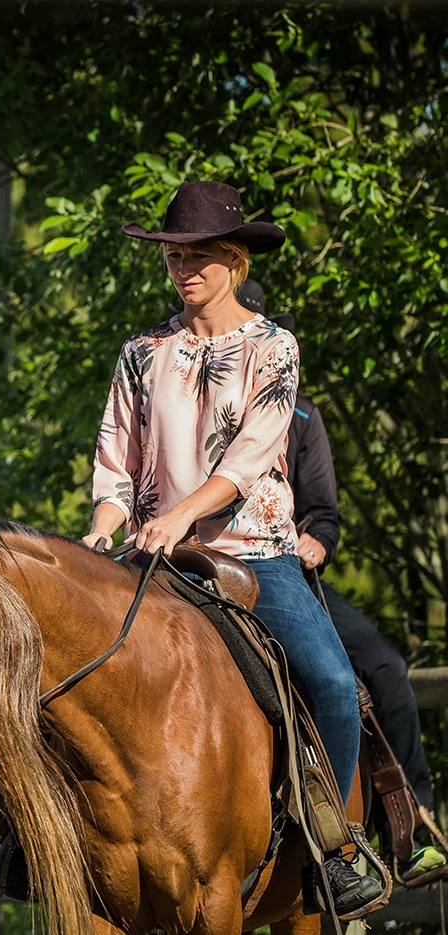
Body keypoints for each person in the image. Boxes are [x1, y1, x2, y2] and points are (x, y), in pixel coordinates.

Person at [79, 180, 382, 913]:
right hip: (153, 555)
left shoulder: (273, 348)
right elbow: (117, 462)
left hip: (253, 553)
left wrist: (181, 515)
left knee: (333, 682)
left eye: (200, 256)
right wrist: (102, 524)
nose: (184, 269)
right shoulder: (141, 352)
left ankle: (333, 849)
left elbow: (247, 460)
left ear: (236, 262)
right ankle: (24, 837)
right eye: (174, 257)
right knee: (61, 658)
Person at [237, 283, 446, 883]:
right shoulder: (187, 392)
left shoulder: (302, 416)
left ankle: (413, 828)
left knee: (385, 668)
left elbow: (324, 512)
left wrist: (317, 543)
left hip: (288, 569)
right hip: (205, 559)